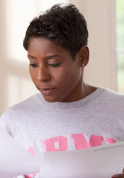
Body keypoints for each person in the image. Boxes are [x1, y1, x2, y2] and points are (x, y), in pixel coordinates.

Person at [0, 3, 124, 178]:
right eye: (33, 64)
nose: (41, 76)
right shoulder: (12, 122)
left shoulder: (120, 111)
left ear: (82, 57)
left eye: (53, 64)